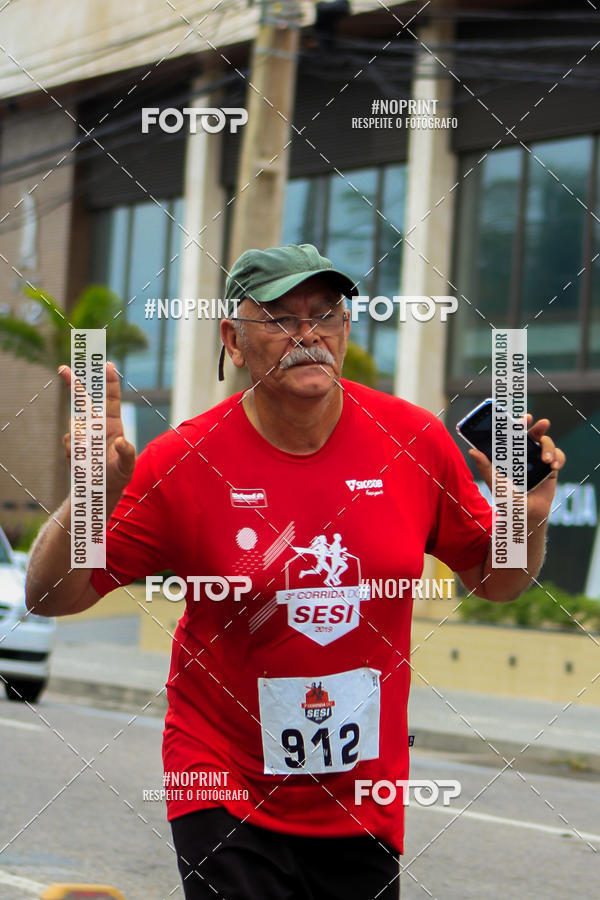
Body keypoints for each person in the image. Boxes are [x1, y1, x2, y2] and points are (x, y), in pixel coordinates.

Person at [26, 243, 566, 900]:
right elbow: (51, 596)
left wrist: (526, 520)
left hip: (361, 790)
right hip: (221, 777)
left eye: (327, 312)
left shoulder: (414, 441)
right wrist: (91, 500)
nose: (308, 333)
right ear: (232, 338)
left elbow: (497, 580)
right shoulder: (185, 460)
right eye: (280, 317)